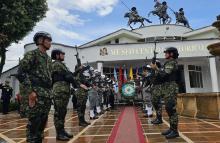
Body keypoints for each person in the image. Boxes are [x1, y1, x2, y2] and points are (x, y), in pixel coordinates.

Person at [17, 31, 53, 143]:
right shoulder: (32, 54)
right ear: (40, 41)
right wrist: (30, 92)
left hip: (46, 94)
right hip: (36, 92)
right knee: (34, 122)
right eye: (48, 40)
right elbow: (21, 73)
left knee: (42, 122)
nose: (50, 43)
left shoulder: (48, 58)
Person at [151, 47, 179, 139]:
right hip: (167, 87)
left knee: (171, 108)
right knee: (168, 108)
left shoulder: (172, 62)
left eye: (167, 52)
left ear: (171, 54)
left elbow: (165, 73)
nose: (165, 54)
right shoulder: (168, 62)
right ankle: (171, 128)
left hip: (171, 87)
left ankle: (174, 131)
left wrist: (157, 68)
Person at [51, 49, 75, 141]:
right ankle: (59, 133)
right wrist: (72, 76)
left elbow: (69, 75)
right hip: (59, 91)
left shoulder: (61, 64)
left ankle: (62, 130)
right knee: (59, 113)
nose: (64, 55)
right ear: (57, 55)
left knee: (63, 112)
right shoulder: (56, 64)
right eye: (62, 54)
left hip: (63, 91)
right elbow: (67, 75)